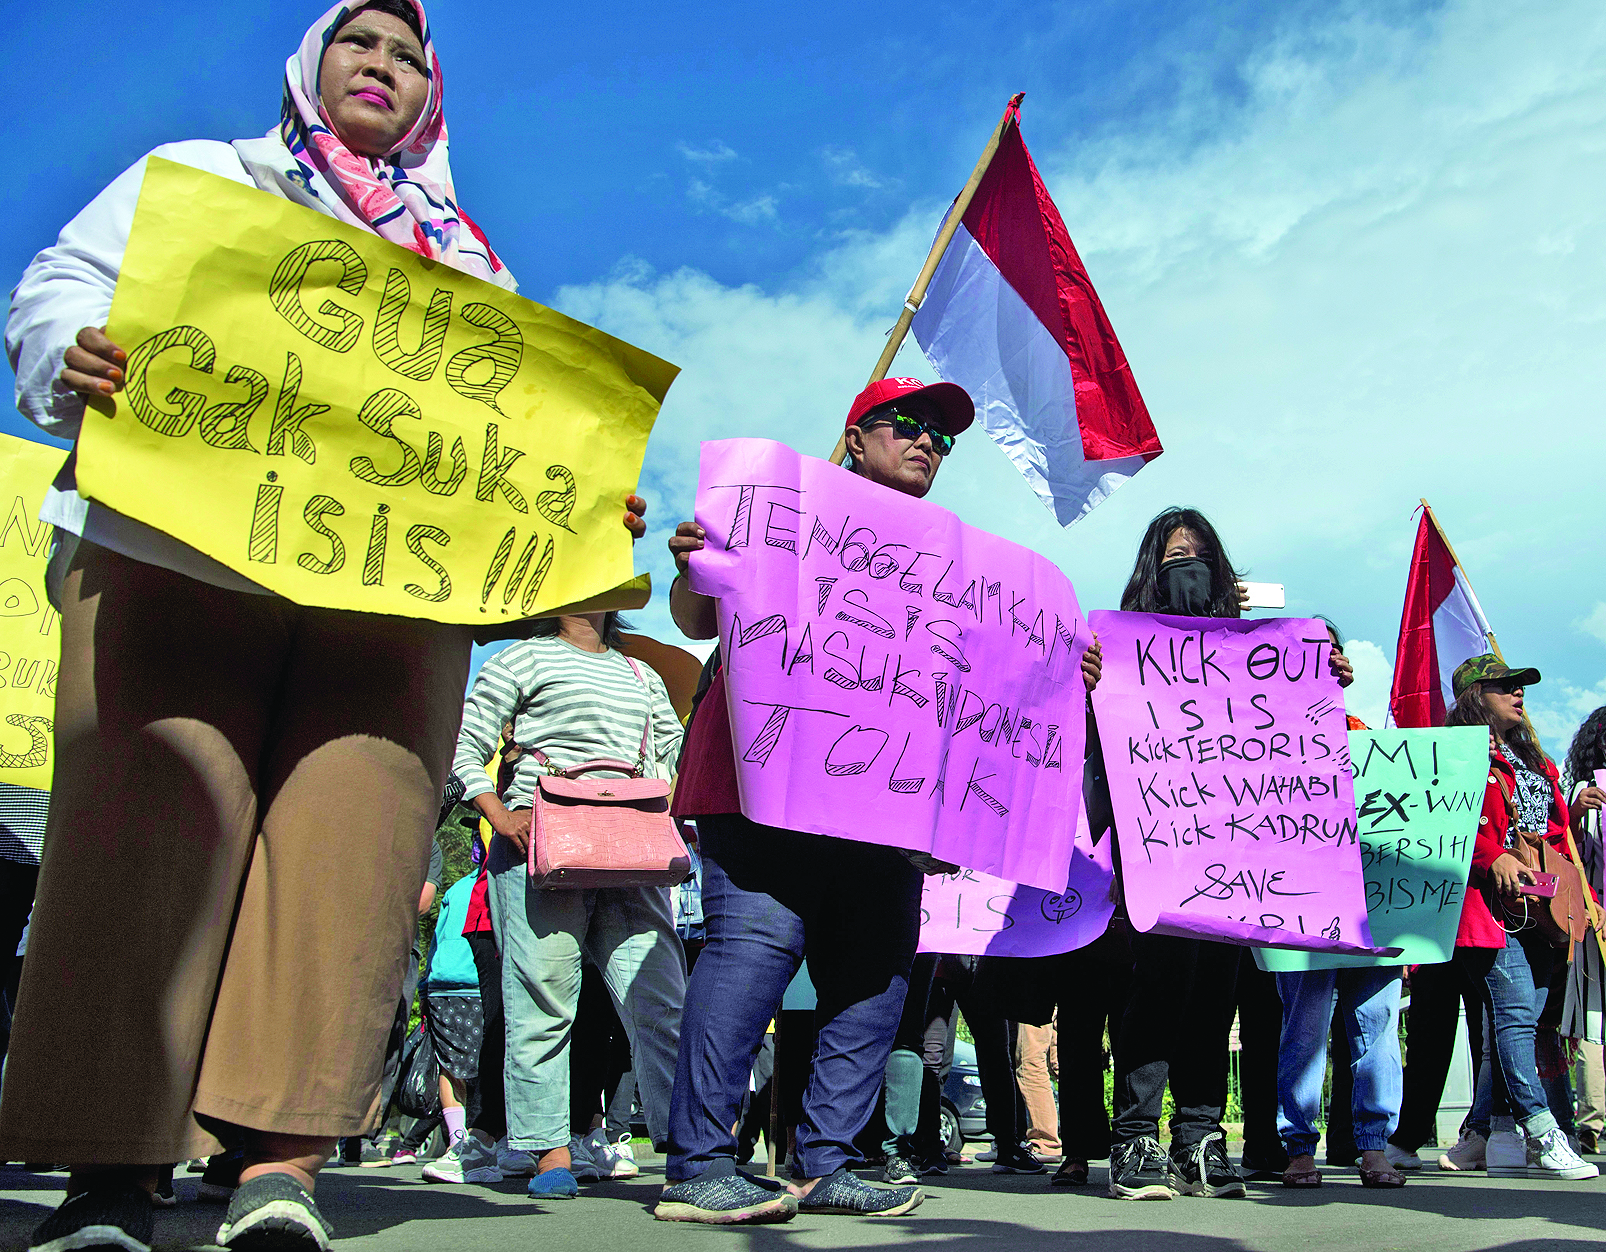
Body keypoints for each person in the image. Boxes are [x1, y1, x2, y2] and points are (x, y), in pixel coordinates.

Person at [0, 5, 647, 1248]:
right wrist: (65, 356)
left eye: (409, 57)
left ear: (431, 101)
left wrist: (580, 508)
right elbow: (60, 288)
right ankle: (110, 1172)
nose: (383, 66)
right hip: (172, 552)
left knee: (349, 850)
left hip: (384, 603)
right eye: (360, 42)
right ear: (310, 68)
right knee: (145, 830)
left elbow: (527, 437)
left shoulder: (473, 267)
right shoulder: (198, 178)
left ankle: (279, 1163)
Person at [660, 376, 1097, 1224]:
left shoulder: (963, 569)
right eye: (907, 424)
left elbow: (993, 695)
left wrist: (1060, 675)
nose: (928, 440)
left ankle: (829, 1160)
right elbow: (694, 617)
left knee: (874, 985)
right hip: (763, 794)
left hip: (888, 812)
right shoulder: (779, 513)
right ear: (855, 439)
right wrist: (694, 563)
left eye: (942, 435)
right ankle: (700, 1163)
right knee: (750, 963)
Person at [1103, 508, 1352, 1201]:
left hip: (1234, 844)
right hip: (1157, 839)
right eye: (1173, 556)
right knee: (1159, 985)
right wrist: (1093, 677)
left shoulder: (1256, 651)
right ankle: (1136, 1139)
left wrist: (1320, 678)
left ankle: (1200, 1137)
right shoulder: (1120, 650)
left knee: (1215, 993)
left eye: (1200, 555)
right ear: (1150, 570)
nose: (1188, 567)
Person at [453, 612, 687, 1202]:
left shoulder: (642, 672)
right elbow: (464, 743)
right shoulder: (521, 658)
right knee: (541, 1000)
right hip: (542, 847)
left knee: (662, 999)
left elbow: (672, 755)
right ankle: (546, 1151)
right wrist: (498, 813)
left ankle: (691, 1146)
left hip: (632, 851)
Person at [1443, 655, 1597, 1181]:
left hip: (1543, 910)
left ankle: (1487, 1135)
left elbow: (1556, 838)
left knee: (1528, 1024)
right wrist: (1490, 857)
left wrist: (1582, 894)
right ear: (1473, 696)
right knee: (1513, 1019)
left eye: (1520, 685)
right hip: (1488, 910)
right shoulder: (1452, 755)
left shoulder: (1540, 762)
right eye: (1504, 685)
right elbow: (1446, 828)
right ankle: (1544, 1129)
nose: (1518, 692)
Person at [420, 871, 494, 1184]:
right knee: (481, 1065)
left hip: (443, 984)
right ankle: (475, 1139)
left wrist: (425, 984)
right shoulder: (489, 886)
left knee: (450, 1068)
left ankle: (458, 1137)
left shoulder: (459, 887)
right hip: (474, 984)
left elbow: (437, 939)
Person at [1560, 706, 1606, 1154]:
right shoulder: (1584, 794)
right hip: (1596, 920)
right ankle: (1590, 1121)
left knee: (1594, 1018)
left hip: (1595, 916)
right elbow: (1567, 850)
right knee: (1593, 1018)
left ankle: (1590, 1121)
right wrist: (1574, 815)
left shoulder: (1583, 791)